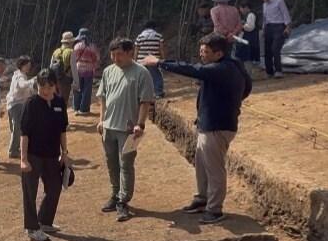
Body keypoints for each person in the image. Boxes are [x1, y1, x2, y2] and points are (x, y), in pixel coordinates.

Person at [143, 34, 252, 225]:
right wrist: (230, 101)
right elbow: (247, 87)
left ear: (218, 53)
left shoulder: (221, 69)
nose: (202, 55)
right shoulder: (233, 65)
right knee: (201, 164)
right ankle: (202, 199)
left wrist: (159, 62)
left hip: (217, 126)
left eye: (206, 52)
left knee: (214, 169)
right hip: (209, 123)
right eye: (201, 51)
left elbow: (192, 69)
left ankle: (215, 210)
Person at [96, 38, 155, 221]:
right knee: (111, 163)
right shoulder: (108, 71)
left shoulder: (141, 73)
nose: (115, 58)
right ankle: (115, 195)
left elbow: (145, 101)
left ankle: (123, 200)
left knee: (126, 165)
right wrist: (101, 120)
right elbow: (103, 97)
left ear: (131, 52)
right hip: (109, 127)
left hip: (129, 129)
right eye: (113, 54)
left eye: (119, 54)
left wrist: (140, 123)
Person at [19, 70, 70, 241]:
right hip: (33, 155)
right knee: (30, 192)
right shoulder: (31, 104)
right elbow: (24, 134)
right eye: (42, 86)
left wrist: (65, 153)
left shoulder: (59, 103)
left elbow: (62, 130)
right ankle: (32, 228)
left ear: (55, 86)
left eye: (49, 86)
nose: (45, 90)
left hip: (52, 155)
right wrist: (23, 159)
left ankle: (45, 221)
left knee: (55, 187)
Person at [5, 56, 35, 160]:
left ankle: (15, 149)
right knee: (17, 128)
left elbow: (26, 90)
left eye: (29, 65)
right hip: (16, 105)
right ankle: (13, 151)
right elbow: (22, 85)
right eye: (27, 65)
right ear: (21, 65)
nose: (29, 67)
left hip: (14, 105)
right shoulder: (20, 76)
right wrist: (33, 81)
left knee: (17, 128)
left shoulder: (20, 74)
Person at [259, 0, 292, 78]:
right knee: (267, 50)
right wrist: (263, 29)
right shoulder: (264, 5)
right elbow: (265, 18)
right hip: (268, 27)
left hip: (279, 26)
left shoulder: (279, 1)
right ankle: (269, 72)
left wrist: (288, 27)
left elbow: (285, 14)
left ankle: (278, 70)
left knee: (275, 49)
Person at [135, 21, 167, 98]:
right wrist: (163, 59)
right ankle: (158, 93)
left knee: (142, 78)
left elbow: (136, 50)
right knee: (156, 76)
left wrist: (134, 60)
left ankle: (141, 94)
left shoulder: (140, 36)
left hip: (141, 61)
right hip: (153, 60)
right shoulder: (158, 36)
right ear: (154, 27)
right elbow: (161, 49)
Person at [72, 29, 100, 116]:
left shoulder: (76, 46)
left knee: (77, 89)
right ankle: (84, 109)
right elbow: (97, 58)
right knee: (86, 90)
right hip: (89, 69)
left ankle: (76, 107)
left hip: (78, 69)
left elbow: (74, 58)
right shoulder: (92, 47)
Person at [51, 31, 76, 100]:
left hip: (55, 79)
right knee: (63, 101)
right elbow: (74, 70)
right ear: (71, 42)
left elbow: (51, 67)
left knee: (54, 100)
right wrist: (76, 83)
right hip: (66, 80)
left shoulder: (56, 51)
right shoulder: (71, 52)